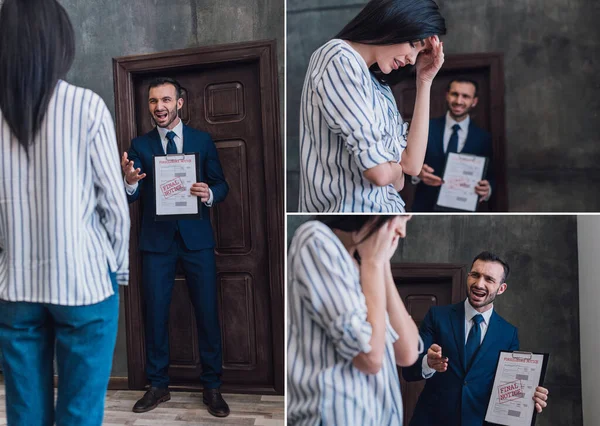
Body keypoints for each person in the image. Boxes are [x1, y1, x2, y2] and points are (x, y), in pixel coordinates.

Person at [0, 0, 130, 424]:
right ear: (58, 42)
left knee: (25, 414)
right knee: (79, 413)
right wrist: (118, 270)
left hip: (16, 286)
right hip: (84, 284)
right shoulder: (85, 106)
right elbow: (114, 205)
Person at [122, 77, 230, 417]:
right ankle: (157, 385)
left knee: (208, 313)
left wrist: (209, 193)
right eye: (154, 101)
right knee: (155, 314)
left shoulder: (202, 140)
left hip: (196, 240)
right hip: (156, 243)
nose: (160, 107)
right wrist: (127, 182)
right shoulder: (139, 145)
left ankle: (212, 387)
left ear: (179, 102)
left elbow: (221, 183)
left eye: (166, 100)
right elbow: (135, 194)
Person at [297, 0, 446, 213]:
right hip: (349, 217)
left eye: (420, 52)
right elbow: (380, 174)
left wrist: (424, 81)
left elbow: (411, 166)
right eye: (414, 44)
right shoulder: (338, 58)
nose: (412, 60)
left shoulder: (379, 86)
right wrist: (395, 172)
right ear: (394, 22)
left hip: (383, 216)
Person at [288, 215, 422, 425]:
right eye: (401, 219)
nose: (402, 232)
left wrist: (381, 264)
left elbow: (408, 353)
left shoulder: (366, 265)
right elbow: (369, 358)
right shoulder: (315, 239)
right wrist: (373, 263)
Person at [402, 252, 549, 426]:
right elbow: (409, 371)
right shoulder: (437, 317)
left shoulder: (508, 334)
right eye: (475, 275)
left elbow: (506, 387)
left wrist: (528, 396)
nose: (479, 284)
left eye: (489, 279)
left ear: (501, 288)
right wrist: (428, 363)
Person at [411, 78, 495, 211]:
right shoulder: (426, 127)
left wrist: (488, 188)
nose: (458, 101)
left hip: (464, 211)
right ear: (447, 95)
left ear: (474, 101)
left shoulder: (483, 138)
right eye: (454, 94)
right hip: (424, 207)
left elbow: (492, 174)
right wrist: (417, 173)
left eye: (465, 96)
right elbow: (406, 162)